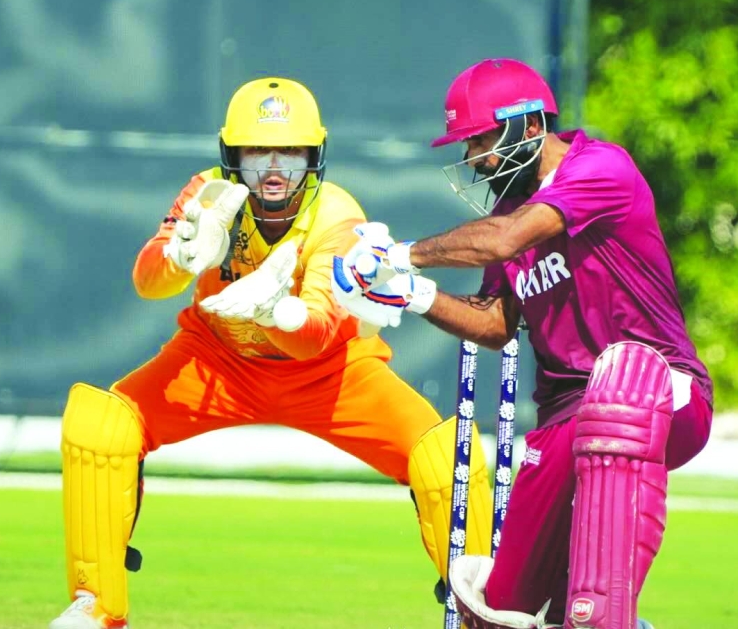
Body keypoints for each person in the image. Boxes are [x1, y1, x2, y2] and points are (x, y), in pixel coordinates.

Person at [48, 77, 494, 629]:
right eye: (257, 152)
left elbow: (319, 334)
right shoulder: (210, 192)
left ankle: (482, 616)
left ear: (315, 154)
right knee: (99, 426)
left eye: (290, 152)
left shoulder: (337, 215)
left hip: (331, 374)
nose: (274, 168)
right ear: (231, 154)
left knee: (450, 460)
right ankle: (96, 607)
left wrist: (273, 312)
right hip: (216, 359)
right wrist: (182, 259)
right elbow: (146, 280)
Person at [332, 58, 714, 629]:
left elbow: (505, 241)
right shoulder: (508, 213)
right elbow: (495, 323)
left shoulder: (600, 168)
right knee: (503, 611)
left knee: (591, 596)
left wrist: (402, 254)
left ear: (530, 126)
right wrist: (413, 296)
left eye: (481, 139)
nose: (474, 159)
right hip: (564, 424)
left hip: (659, 393)